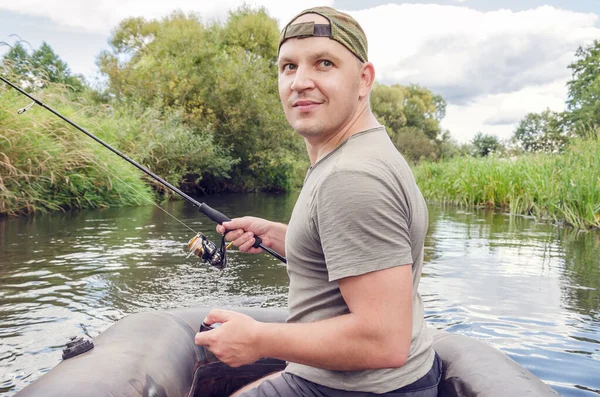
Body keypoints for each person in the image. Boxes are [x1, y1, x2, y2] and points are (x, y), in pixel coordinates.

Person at [194, 6, 440, 397]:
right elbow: (358, 255)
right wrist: (281, 236)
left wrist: (258, 339)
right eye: (288, 67)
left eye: (323, 63)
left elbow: (384, 341)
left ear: (363, 79)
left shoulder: (350, 177)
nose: (300, 82)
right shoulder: (359, 152)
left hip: (359, 389)